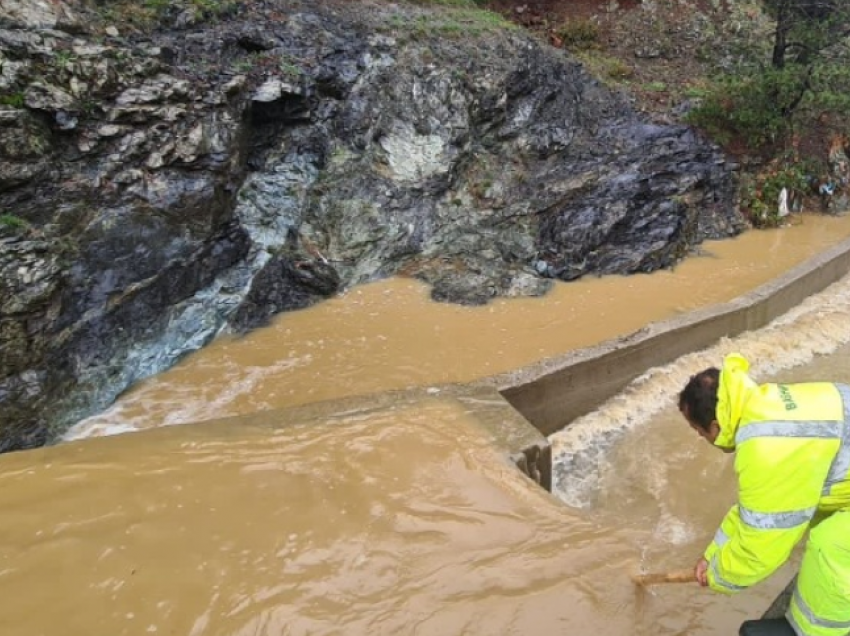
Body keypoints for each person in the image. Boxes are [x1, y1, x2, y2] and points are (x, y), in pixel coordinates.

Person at [678, 352, 850, 636]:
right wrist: (713, 554)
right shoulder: (766, 405)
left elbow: (761, 545)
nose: (701, 439)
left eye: (699, 432)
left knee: (831, 545)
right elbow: (754, 510)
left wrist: (719, 575)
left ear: (715, 427)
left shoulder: (764, 448)